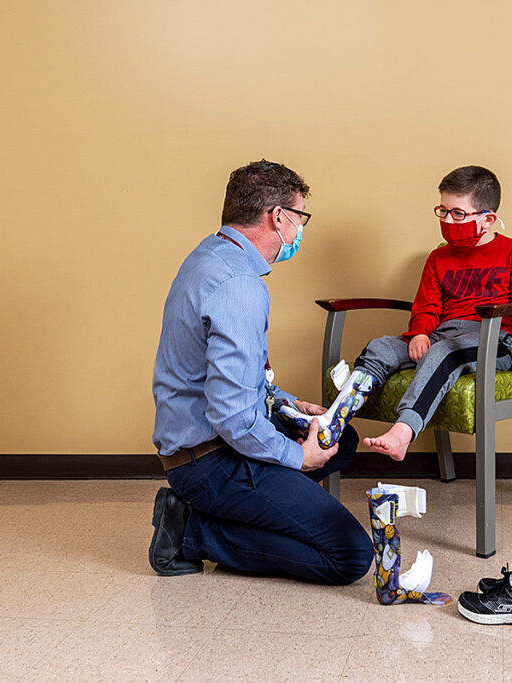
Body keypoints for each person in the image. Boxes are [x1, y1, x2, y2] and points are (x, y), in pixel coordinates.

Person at [147, 160, 373, 585]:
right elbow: (232, 417)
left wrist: (290, 405)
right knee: (349, 555)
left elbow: (232, 380)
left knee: (339, 439)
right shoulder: (239, 285)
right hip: (209, 460)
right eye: (300, 218)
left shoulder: (210, 254)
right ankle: (191, 532)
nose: (300, 231)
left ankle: (261, 511)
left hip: (210, 441)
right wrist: (298, 457)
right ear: (279, 218)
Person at [322, 165, 512, 459]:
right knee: (381, 347)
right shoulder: (438, 257)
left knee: (443, 351)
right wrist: (419, 333)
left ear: (488, 219)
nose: (447, 220)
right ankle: (337, 417)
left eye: (457, 213)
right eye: (442, 211)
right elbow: (427, 305)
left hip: (492, 341)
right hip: (441, 334)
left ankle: (404, 430)